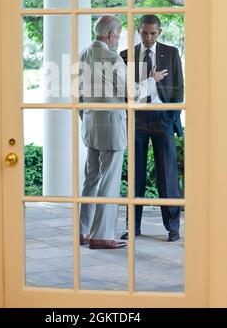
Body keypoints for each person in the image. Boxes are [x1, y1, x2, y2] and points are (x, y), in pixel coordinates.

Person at [79, 15, 168, 249]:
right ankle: (101, 235)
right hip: (112, 128)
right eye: (118, 34)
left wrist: (87, 117)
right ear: (110, 35)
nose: (118, 38)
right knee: (108, 182)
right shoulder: (113, 59)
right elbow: (132, 93)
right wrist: (152, 79)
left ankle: (83, 231)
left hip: (90, 126)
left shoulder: (84, 54)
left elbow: (77, 94)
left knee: (90, 180)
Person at [120, 14, 184, 242]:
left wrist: (171, 114)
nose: (148, 37)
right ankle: (132, 226)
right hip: (137, 118)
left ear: (160, 32)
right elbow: (124, 91)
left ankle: (173, 227)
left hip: (162, 117)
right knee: (135, 175)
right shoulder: (126, 55)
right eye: (145, 33)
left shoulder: (172, 52)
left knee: (167, 174)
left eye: (153, 33)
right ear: (138, 31)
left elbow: (179, 88)